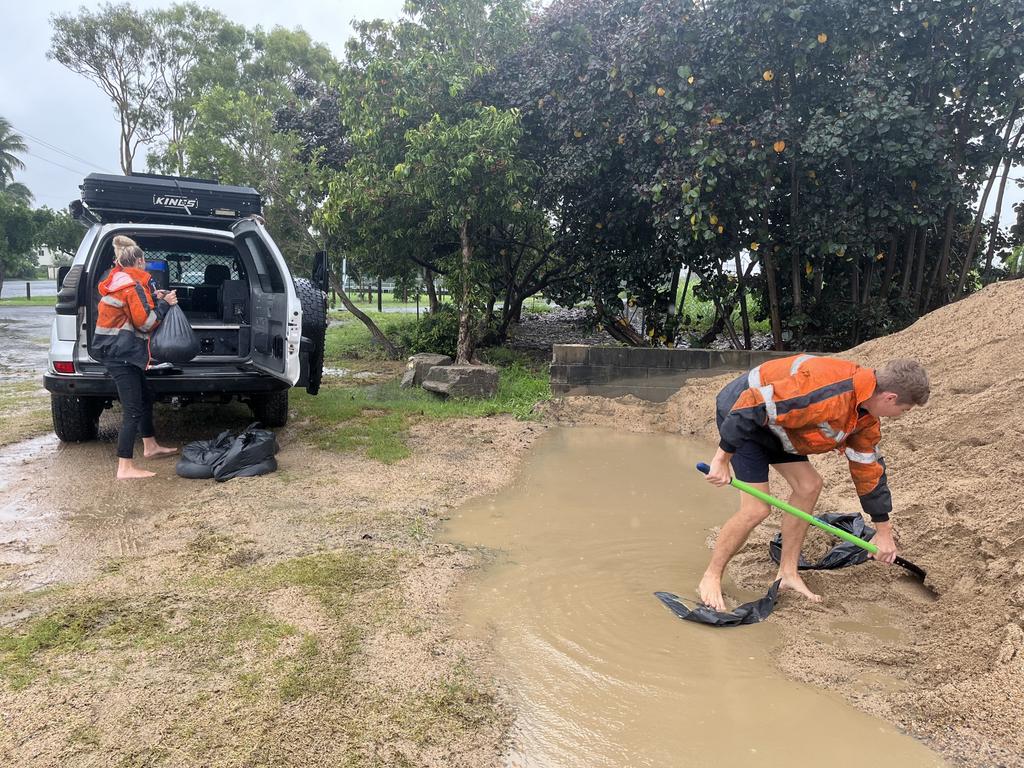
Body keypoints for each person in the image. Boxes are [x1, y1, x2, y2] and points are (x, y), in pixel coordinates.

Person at [699, 355, 929, 611]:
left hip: (779, 427)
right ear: (890, 398)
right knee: (757, 508)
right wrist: (722, 459)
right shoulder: (828, 389)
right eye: (904, 411)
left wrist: (883, 534)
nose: (900, 416)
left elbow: (869, 473)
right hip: (743, 414)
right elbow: (753, 405)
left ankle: (788, 572)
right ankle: (711, 575)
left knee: (809, 485)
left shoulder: (865, 418)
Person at [94, 235, 179, 479]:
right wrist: (165, 304)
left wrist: (155, 298)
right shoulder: (132, 286)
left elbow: (133, 309)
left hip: (118, 350)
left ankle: (150, 446)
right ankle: (125, 467)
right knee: (132, 409)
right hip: (122, 354)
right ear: (140, 261)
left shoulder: (120, 281)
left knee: (145, 398)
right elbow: (146, 323)